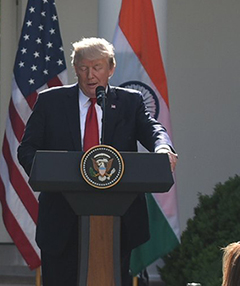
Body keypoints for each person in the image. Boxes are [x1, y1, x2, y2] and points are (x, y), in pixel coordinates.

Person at [17, 37, 177, 286]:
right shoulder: (51, 102)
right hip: (62, 220)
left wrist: (163, 147)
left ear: (111, 69)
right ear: (76, 69)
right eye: (83, 68)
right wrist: (48, 173)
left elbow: (153, 130)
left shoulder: (129, 102)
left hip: (118, 222)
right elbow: (27, 149)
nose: (90, 75)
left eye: (97, 67)